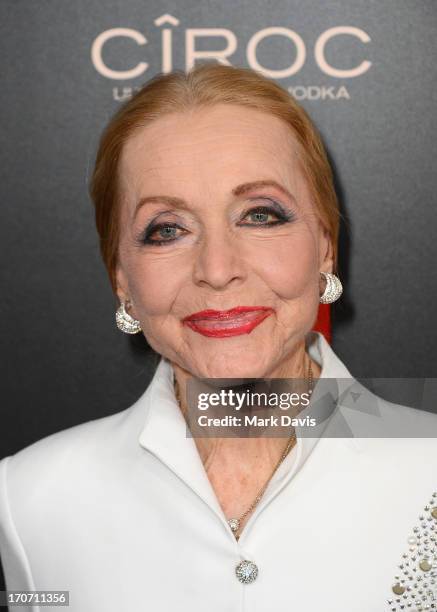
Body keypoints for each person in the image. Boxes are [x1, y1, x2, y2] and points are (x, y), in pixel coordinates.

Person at [0, 63, 436, 612]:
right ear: (121, 278)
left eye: (259, 215)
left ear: (325, 245)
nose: (217, 267)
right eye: (167, 229)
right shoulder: (26, 499)